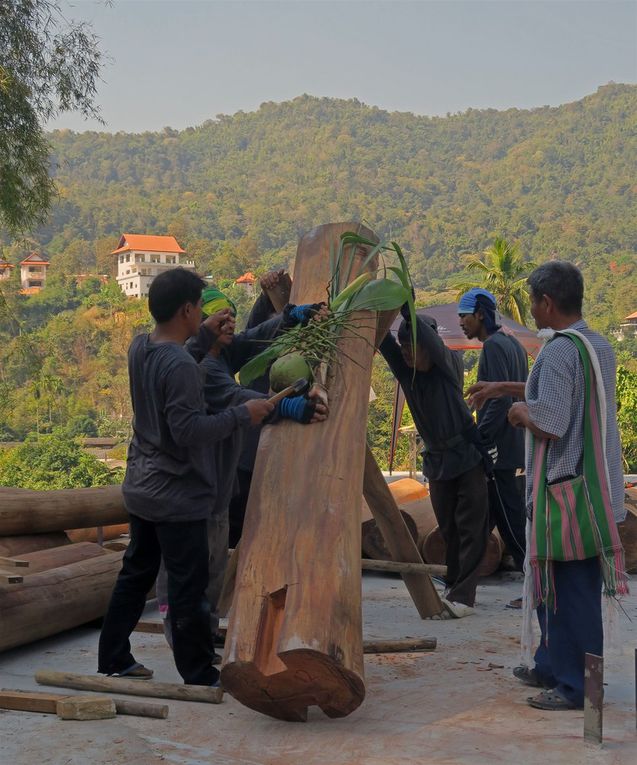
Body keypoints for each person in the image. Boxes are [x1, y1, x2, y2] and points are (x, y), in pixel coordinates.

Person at [97, 268, 273, 687]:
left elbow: (173, 358)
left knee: (136, 574)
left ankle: (114, 656)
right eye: (200, 307)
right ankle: (198, 672)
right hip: (176, 495)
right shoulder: (178, 364)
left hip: (142, 485)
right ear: (188, 310)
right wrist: (241, 415)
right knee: (189, 586)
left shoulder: (141, 346)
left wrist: (202, 338)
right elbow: (189, 431)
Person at [467, 261, 628, 710]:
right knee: (551, 589)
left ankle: (578, 687)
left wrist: (519, 414)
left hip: (567, 494)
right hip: (595, 489)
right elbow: (560, 392)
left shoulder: (558, 351)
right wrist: (503, 388)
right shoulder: (593, 345)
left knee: (570, 595)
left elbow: (551, 420)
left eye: (534, 300)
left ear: (546, 303)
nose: (532, 309)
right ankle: (550, 664)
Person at [156, 281, 328, 655]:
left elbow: (254, 337)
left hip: (214, 484)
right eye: (222, 317)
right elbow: (235, 396)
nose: (231, 324)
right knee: (189, 570)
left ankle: (203, 629)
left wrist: (289, 316)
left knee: (214, 566)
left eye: (232, 316)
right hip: (190, 487)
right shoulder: (200, 365)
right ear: (202, 321)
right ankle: (182, 635)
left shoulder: (221, 354)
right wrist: (283, 406)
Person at [379, 304, 490, 617]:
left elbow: (431, 342)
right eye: (403, 348)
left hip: (467, 456)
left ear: (428, 345)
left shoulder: (447, 364)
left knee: (471, 528)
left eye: (413, 347)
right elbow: (383, 343)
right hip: (438, 462)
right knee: (448, 528)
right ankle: (454, 584)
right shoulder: (406, 371)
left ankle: (464, 597)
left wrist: (407, 310)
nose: (406, 354)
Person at [458, 288, 528, 582]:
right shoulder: (513, 343)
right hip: (513, 440)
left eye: (464, 317)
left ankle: (532, 579)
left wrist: (480, 436)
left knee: (508, 513)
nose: (461, 323)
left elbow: (498, 399)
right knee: (486, 510)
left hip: (499, 444)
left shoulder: (493, 347)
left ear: (479, 315)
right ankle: (461, 574)